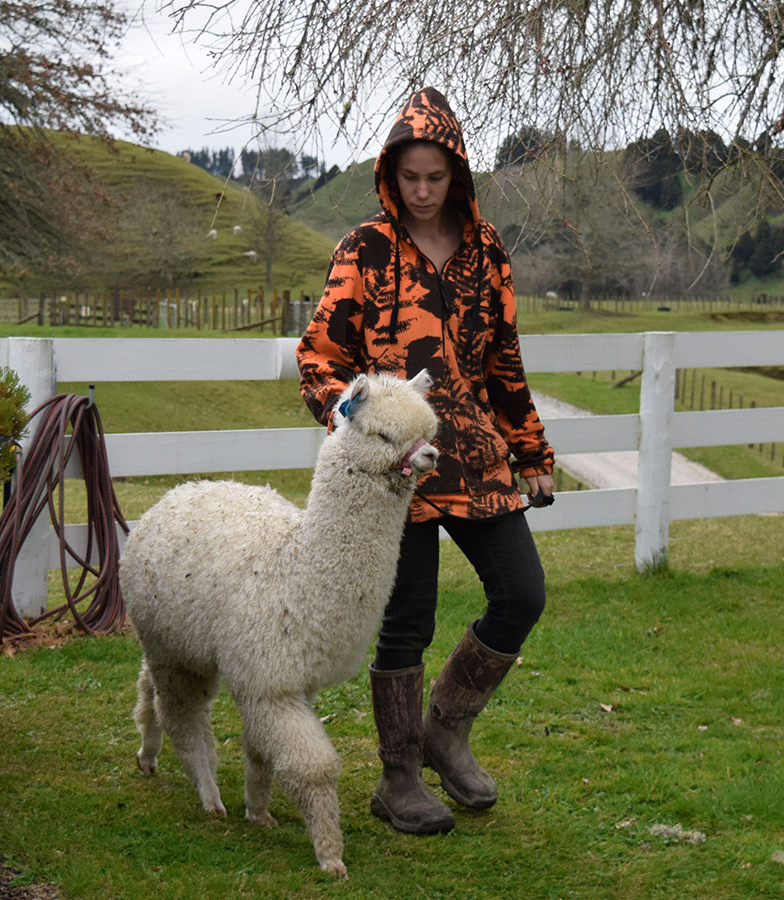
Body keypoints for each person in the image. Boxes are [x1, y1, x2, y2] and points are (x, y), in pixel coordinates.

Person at [296, 86, 555, 835]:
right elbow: (318, 355)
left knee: (522, 593)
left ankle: (447, 728)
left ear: (457, 174)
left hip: (473, 454)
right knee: (406, 618)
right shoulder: (364, 249)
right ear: (390, 173)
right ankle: (399, 777)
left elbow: (504, 360)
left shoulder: (487, 250)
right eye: (408, 177)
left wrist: (531, 448)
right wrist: (354, 421)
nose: (420, 191)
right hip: (392, 462)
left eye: (434, 178)